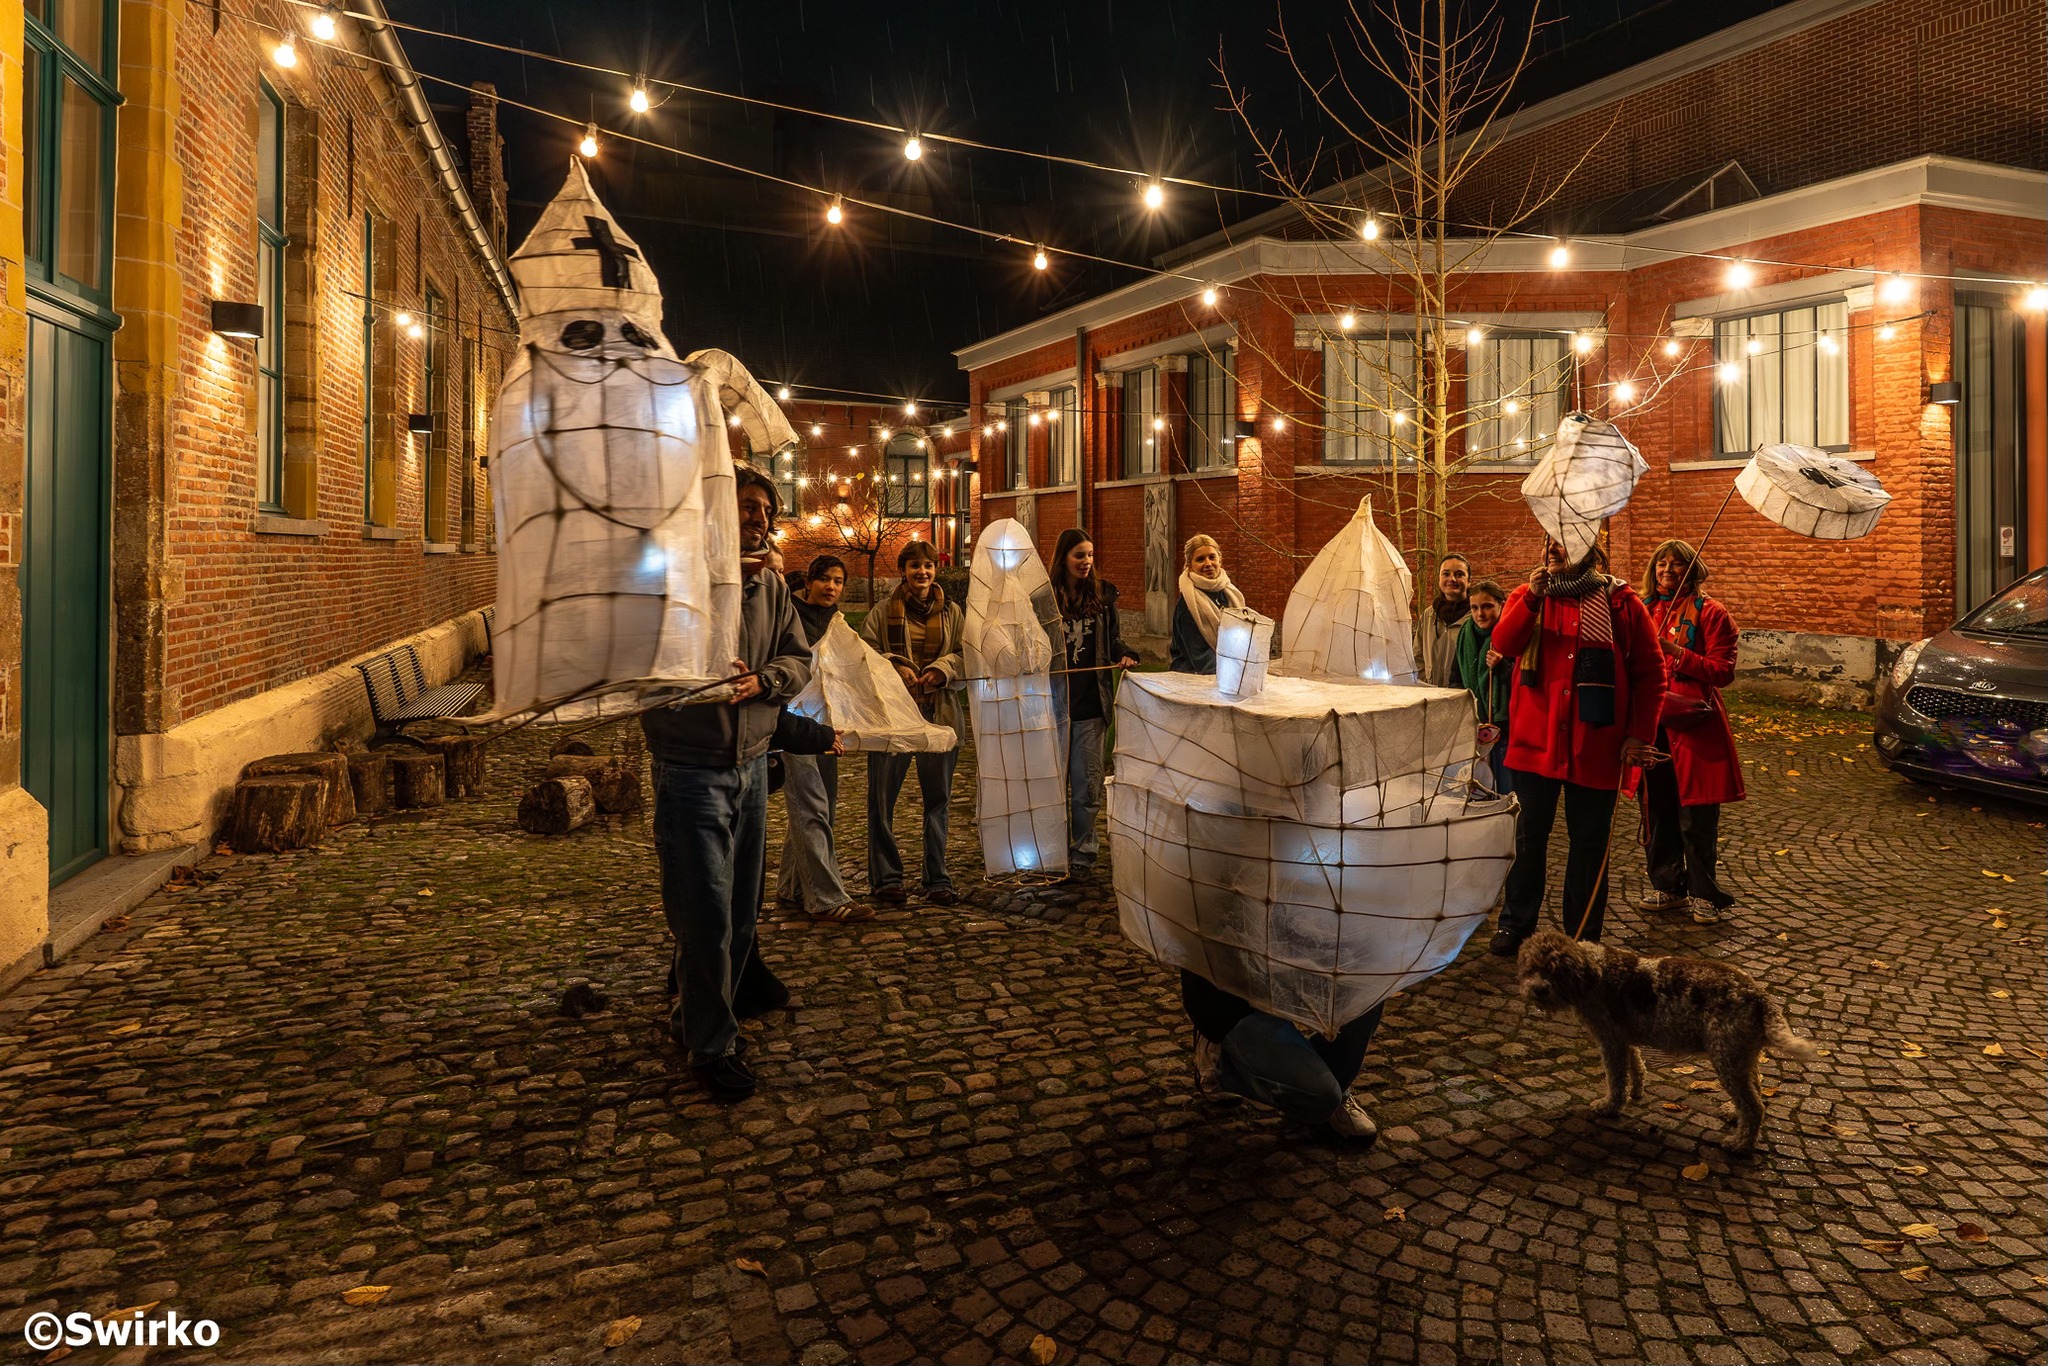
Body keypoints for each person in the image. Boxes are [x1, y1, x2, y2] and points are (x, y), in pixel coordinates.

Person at [641, 468, 812, 1100]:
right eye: (745, 506)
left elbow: (799, 659)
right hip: (690, 767)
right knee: (703, 913)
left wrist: (764, 681)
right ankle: (711, 1046)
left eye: (765, 508)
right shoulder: (675, 577)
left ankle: (700, 1013)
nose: (758, 518)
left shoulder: (770, 585)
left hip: (751, 765)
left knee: (741, 913)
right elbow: (642, 654)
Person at [1483, 533, 1664, 955]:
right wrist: (1531, 598)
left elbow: (1651, 674)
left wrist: (1639, 734)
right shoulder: (1526, 596)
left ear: (1588, 549)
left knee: (1589, 845)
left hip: (1597, 747)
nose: (1553, 548)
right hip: (1534, 744)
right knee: (1528, 838)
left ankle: (1583, 934)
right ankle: (1516, 924)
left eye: (1564, 541)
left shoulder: (1621, 603)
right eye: (1549, 540)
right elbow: (1503, 644)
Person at [1630, 539, 1745, 924]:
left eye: (1676, 565)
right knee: (1656, 811)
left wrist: (1675, 652)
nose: (1667, 571)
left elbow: (1722, 672)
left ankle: (1703, 893)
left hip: (1695, 729)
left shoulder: (1713, 614)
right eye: (1661, 564)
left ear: (1692, 570)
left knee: (1696, 817)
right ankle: (1667, 887)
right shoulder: (1641, 610)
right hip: (1651, 725)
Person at [859, 541, 966, 905]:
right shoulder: (882, 610)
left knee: (938, 800)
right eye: (915, 566)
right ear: (904, 569)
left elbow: (967, 654)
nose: (922, 572)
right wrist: (895, 665)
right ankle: (887, 878)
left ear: (936, 569)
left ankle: (937, 877)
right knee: (882, 799)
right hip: (893, 718)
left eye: (928, 566)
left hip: (940, 714)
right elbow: (866, 653)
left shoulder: (952, 611)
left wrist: (942, 669)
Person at [775, 555, 874, 924]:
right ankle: (826, 898)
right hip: (794, 724)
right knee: (812, 805)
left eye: (837, 581)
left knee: (815, 806)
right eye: (824, 580)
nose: (831, 587)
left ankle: (792, 887)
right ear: (809, 582)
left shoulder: (835, 622)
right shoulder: (791, 615)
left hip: (825, 725)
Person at [1039, 529, 1140, 874]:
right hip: (1053, 705)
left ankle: (1083, 851)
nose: (1086, 562)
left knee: (1087, 785)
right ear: (1063, 558)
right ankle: (1050, 849)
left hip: (1091, 705)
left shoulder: (1102, 597)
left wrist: (1125, 654)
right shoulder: (1046, 599)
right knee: (1052, 784)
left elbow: (1113, 640)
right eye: (1079, 555)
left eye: (1090, 555)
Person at [1183, 971, 1382, 1141]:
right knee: (1320, 1098)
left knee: (1372, 987)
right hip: (1235, 992)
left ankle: (1337, 1081)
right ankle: (1222, 1064)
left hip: (1309, 962)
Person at [1454, 577, 1514, 795]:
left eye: (1487, 606)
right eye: (1475, 608)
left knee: (1505, 784)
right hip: (1475, 723)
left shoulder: (1510, 633)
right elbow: (1456, 676)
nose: (1480, 614)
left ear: (1501, 605)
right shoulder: (1464, 634)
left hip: (1505, 723)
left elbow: (1524, 679)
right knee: (1479, 783)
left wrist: (1502, 665)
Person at [1169, 533, 1247, 674]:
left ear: (1220, 560)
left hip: (1230, 673)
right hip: (1193, 678)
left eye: (1212, 557)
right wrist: (1235, 674)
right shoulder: (1187, 604)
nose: (1208, 564)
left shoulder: (1230, 594)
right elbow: (1201, 656)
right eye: (1200, 559)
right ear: (1189, 565)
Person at [1418, 552, 1471, 686]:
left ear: (1469, 581)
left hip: (1463, 697)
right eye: (1446, 574)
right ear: (1439, 578)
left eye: (1459, 574)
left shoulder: (1477, 617)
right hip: (1431, 697)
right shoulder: (1428, 616)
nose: (1452, 579)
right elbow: (1417, 658)